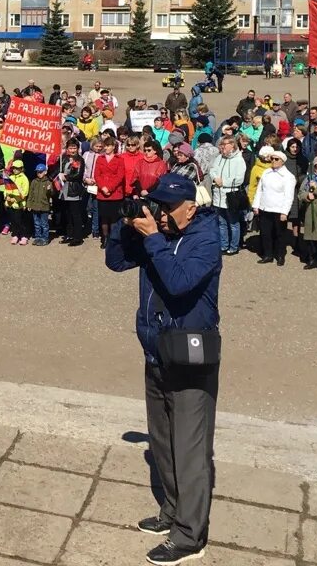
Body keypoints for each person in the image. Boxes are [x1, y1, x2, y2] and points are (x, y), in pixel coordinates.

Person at [104, 174, 221, 564]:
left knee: (190, 448)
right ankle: (172, 511)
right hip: (156, 352)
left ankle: (190, 536)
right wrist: (125, 229)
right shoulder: (161, 235)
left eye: (168, 208)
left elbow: (179, 282)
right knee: (164, 443)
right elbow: (116, 262)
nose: (162, 214)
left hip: (190, 358)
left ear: (191, 207)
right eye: (157, 205)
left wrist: (154, 238)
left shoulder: (205, 238)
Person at [253, 148, 295, 265]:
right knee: (266, 233)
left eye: (276, 159)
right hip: (265, 207)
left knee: (279, 234)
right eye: (272, 159)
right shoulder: (266, 172)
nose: (274, 161)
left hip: (278, 209)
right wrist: (256, 205)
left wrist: (284, 212)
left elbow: (289, 196)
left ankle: (280, 255)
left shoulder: (288, 176)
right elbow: (260, 190)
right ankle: (268, 255)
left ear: (282, 161)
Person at [3, 159, 31, 244]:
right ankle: (15, 235)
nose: (15, 169)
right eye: (14, 168)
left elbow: (25, 192)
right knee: (13, 221)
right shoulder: (10, 177)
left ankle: (24, 236)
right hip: (10, 204)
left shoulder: (24, 178)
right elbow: (6, 188)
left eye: (17, 168)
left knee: (20, 221)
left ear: (21, 168)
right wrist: (6, 196)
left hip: (19, 204)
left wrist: (15, 199)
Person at [27, 161, 53, 245]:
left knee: (44, 224)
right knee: (36, 223)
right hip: (35, 206)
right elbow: (30, 194)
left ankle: (45, 238)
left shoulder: (48, 182)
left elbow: (51, 194)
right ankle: (37, 237)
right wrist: (29, 204)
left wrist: (50, 190)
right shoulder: (34, 181)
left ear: (45, 172)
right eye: (37, 172)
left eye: (41, 172)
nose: (39, 174)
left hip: (44, 207)